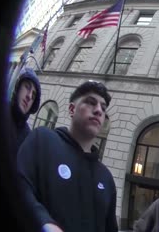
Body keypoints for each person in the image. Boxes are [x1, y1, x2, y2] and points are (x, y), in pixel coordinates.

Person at [17, 81, 118, 232]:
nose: (98, 111)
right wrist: (44, 222)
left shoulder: (107, 179)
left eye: (103, 108)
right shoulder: (42, 140)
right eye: (91, 102)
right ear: (72, 109)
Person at [10, 67, 41, 154]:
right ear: (18, 87)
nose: (29, 96)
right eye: (27, 87)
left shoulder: (28, 138)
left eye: (34, 95)